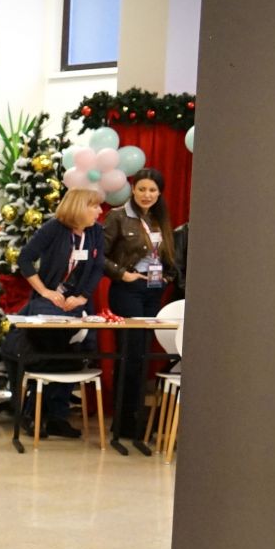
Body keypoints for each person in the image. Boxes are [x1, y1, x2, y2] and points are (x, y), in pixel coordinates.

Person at [14, 188, 107, 437]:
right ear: (79, 207)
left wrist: (82, 297)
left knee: (73, 354)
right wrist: (45, 291)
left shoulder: (96, 232)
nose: (99, 211)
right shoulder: (54, 229)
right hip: (49, 303)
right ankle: (32, 413)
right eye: (94, 206)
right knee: (49, 353)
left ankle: (57, 416)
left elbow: (98, 267)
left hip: (77, 303)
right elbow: (25, 259)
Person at [100, 168, 181, 437]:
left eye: (153, 190)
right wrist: (122, 274)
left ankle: (136, 419)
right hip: (128, 290)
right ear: (133, 189)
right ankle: (122, 422)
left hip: (153, 291)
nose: (147, 195)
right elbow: (99, 255)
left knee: (144, 355)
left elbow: (168, 255)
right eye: (142, 189)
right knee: (130, 354)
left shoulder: (159, 218)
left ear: (160, 193)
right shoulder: (118, 216)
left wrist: (168, 277)